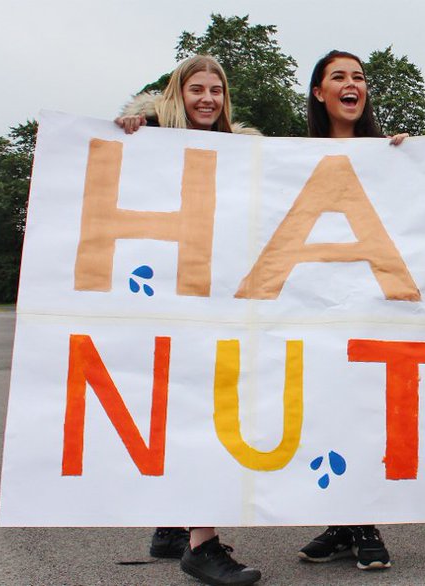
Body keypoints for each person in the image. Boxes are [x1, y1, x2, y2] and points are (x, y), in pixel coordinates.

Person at [116, 55, 263, 586]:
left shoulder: (241, 150)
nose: (207, 98)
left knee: (198, 408)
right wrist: (130, 128)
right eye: (196, 89)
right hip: (165, 297)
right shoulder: (147, 139)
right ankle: (201, 544)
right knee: (191, 411)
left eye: (216, 90)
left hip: (214, 300)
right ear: (175, 94)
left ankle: (174, 527)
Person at [295, 49, 406, 571]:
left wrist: (408, 159)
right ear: (319, 93)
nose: (351, 84)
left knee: (364, 409)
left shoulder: (389, 153)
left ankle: (362, 523)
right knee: (327, 407)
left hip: (372, 302)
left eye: (358, 77)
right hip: (317, 303)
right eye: (338, 76)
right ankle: (345, 525)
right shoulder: (292, 156)